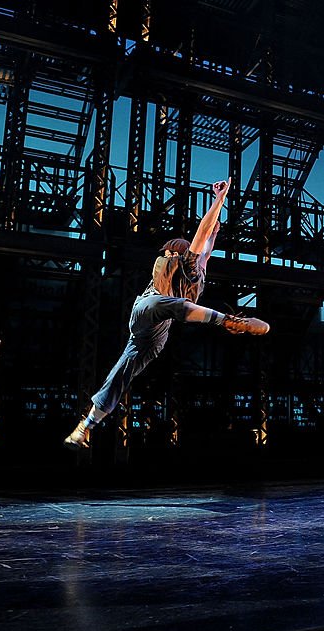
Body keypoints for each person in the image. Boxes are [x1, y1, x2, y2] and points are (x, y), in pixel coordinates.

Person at [64, 178, 270, 450]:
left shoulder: (191, 266)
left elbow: (203, 240)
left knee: (122, 373)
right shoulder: (187, 267)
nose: (169, 255)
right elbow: (206, 238)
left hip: (157, 334)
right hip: (147, 308)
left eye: (174, 251)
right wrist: (216, 210)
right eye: (168, 252)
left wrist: (218, 205)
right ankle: (227, 320)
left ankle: (85, 427)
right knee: (168, 304)